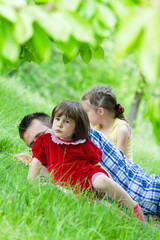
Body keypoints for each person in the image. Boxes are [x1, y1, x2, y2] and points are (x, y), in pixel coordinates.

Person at [18, 111, 160, 217]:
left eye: (41, 135)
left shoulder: (81, 137)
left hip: (153, 192)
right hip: (148, 213)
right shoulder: (56, 157)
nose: (39, 143)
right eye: (33, 144)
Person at [81, 85, 133, 161]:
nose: (84, 115)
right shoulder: (96, 128)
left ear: (100, 111)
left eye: (86, 111)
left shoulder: (121, 130)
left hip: (119, 170)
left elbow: (121, 162)